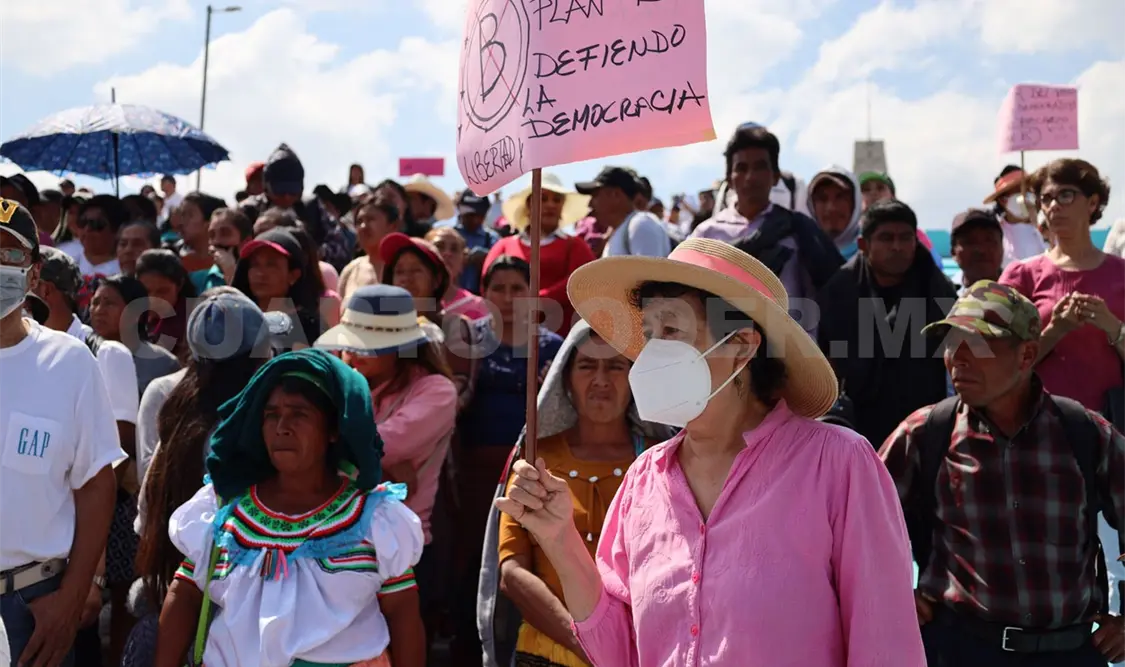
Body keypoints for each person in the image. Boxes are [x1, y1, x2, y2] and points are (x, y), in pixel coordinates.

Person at [497, 237, 924, 666]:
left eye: (672, 332)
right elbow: (620, 653)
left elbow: (885, 644)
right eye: (648, 334)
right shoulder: (643, 479)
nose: (651, 352)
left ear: (741, 345)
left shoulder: (837, 464)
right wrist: (560, 539)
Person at [880, 281, 1125, 666]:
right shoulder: (924, 433)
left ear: (1027, 355)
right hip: (961, 650)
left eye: (978, 344)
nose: (957, 357)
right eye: (951, 342)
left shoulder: (1084, 432)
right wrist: (892, 594)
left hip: (1070, 654)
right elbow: (850, 531)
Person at [154, 349, 426, 667]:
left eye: (299, 414)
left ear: (333, 430)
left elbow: (403, 613)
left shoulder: (374, 520)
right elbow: (185, 594)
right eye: (272, 415)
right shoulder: (223, 509)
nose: (282, 427)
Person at [478, 320, 676, 667]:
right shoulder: (535, 458)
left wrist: (619, 647)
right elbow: (512, 571)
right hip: (544, 653)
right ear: (565, 380)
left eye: (615, 366)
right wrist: (585, 641)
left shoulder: (661, 461)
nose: (601, 380)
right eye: (587, 365)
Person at [125, 288, 289, 667]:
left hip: (171, 608)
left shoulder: (177, 420)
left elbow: (145, 522)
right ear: (258, 356)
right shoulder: (252, 437)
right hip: (231, 631)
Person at [0, 199, 123, 665]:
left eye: (8, 254)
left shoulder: (70, 362)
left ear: (34, 276)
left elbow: (96, 483)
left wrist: (73, 596)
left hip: (31, 608)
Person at [315, 284, 458, 649]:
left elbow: (371, 449)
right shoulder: (343, 382)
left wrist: (353, 458)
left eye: (365, 344)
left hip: (402, 554)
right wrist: (381, 471)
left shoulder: (437, 391)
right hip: (331, 544)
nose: (351, 351)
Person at [816, 199, 956, 447]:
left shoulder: (938, 289)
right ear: (863, 245)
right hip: (857, 428)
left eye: (905, 238)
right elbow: (829, 363)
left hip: (925, 427)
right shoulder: (840, 290)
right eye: (886, 238)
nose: (897, 246)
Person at [690, 126, 843, 333]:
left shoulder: (798, 230)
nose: (751, 177)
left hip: (787, 352)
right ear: (729, 178)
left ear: (776, 176)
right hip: (721, 354)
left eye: (760, 166)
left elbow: (821, 294)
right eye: (741, 168)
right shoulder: (706, 236)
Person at [1000, 158, 1124, 412]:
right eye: (1046, 198)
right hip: (1038, 424)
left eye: (1066, 195)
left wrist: (1113, 328)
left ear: (1093, 202)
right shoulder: (1021, 275)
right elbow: (1000, 365)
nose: (1054, 205)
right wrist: (1056, 329)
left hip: (1111, 426)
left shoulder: (1121, 273)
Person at [485, 174, 596, 336]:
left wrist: (535, 300)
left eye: (557, 200)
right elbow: (487, 285)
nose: (550, 205)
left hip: (561, 337)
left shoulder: (576, 245)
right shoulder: (504, 245)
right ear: (528, 206)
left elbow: (583, 281)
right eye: (543, 198)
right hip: (510, 338)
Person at [576, 167, 669, 259]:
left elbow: (652, 273)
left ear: (615, 194)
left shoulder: (641, 224)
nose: (590, 204)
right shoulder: (619, 234)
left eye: (595, 195)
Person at [338, 193, 401, 303]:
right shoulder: (351, 270)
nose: (363, 226)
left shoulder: (405, 269)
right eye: (359, 221)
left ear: (393, 226)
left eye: (371, 219)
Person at [983, 166, 1048, 266]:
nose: (1026, 195)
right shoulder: (995, 232)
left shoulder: (1049, 227)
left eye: (1028, 190)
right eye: (1019, 190)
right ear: (1003, 200)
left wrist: (1036, 221)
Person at [949, 209, 1004, 294]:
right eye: (969, 242)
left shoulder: (1024, 293)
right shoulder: (944, 295)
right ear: (953, 252)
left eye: (989, 240)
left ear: (1002, 247)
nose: (981, 249)